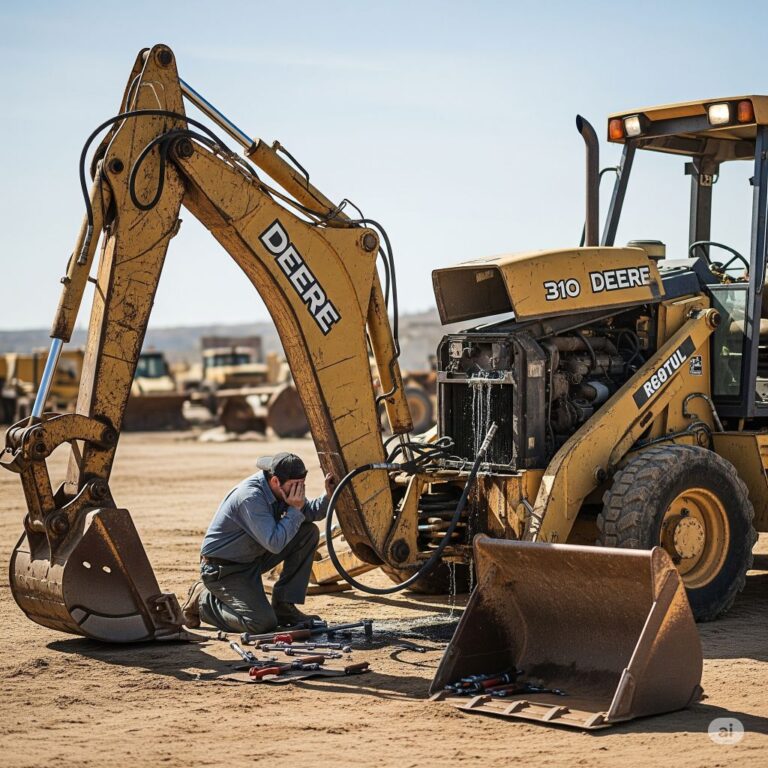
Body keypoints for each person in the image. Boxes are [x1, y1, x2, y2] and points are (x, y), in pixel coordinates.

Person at [181, 452, 336, 633]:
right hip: (224, 569)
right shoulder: (251, 498)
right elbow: (275, 543)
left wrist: (328, 496)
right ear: (276, 481)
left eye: (302, 485)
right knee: (261, 623)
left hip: (253, 557)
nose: (299, 492)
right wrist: (295, 508)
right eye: (294, 486)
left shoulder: (280, 489)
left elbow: (307, 512)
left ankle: (284, 607)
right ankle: (203, 599)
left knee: (307, 532)